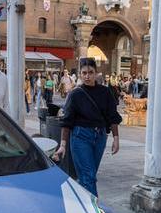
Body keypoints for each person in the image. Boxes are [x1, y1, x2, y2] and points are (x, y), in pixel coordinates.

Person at [52, 58, 121, 196]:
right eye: (84, 73)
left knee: (88, 176)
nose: (87, 76)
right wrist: (63, 145)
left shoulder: (105, 92)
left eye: (90, 72)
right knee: (88, 176)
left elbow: (112, 115)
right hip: (80, 137)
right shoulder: (75, 94)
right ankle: (94, 211)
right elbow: (67, 121)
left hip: (100, 137)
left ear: (96, 73)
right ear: (79, 74)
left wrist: (116, 138)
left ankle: (79, 203)